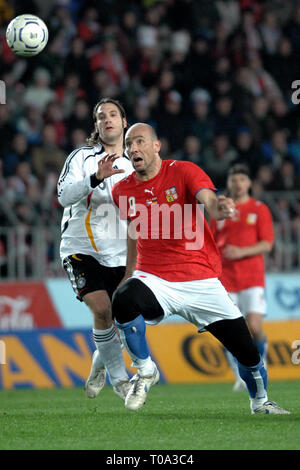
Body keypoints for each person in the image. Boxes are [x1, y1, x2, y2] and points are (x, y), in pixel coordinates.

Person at [111, 122, 290, 415]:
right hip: (155, 279)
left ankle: (260, 402)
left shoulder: (183, 171)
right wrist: (129, 275)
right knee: (124, 299)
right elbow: (133, 231)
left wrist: (219, 207)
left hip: (201, 280)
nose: (133, 149)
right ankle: (145, 371)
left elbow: (209, 201)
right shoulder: (122, 190)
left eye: (140, 142)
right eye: (129, 144)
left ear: (156, 146)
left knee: (248, 353)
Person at [57, 98, 133, 400]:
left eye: (113, 115)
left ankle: (102, 359)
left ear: (124, 122)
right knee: (102, 308)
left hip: (121, 253)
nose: (108, 120)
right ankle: (120, 381)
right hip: (80, 248)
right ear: (97, 125)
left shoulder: (134, 164)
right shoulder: (82, 158)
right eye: (101, 116)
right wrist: (95, 178)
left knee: (127, 319)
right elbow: (63, 196)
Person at [209, 164, 274, 391]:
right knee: (231, 329)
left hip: (252, 277)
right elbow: (211, 242)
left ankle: (260, 362)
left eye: (241, 180)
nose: (237, 184)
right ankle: (240, 374)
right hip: (226, 277)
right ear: (229, 183)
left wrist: (240, 251)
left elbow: (267, 243)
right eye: (233, 179)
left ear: (249, 183)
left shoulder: (259, 209)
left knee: (254, 327)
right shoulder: (221, 210)